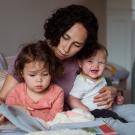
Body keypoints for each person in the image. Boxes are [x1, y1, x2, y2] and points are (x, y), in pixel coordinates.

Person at [0, 4, 133, 135]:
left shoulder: (81, 60)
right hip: (68, 118)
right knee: (112, 124)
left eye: (77, 45)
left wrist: (113, 91)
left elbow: (99, 82)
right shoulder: (31, 56)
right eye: (65, 37)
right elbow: (3, 97)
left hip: (89, 109)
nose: (66, 49)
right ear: (57, 30)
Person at [5, 41, 64, 122]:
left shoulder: (57, 92)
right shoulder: (17, 91)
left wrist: (30, 114)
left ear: (52, 73)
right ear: (22, 73)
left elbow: (56, 118)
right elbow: (7, 109)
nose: (39, 80)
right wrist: (18, 108)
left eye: (45, 74)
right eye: (32, 75)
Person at [68, 43, 127, 123]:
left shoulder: (102, 79)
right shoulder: (82, 81)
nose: (95, 65)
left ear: (105, 64)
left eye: (100, 62)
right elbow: (72, 99)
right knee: (117, 121)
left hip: (105, 112)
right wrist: (85, 111)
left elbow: (105, 95)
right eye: (90, 61)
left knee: (119, 119)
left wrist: (116, 98)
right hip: (93, 113)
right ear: (80, 63)